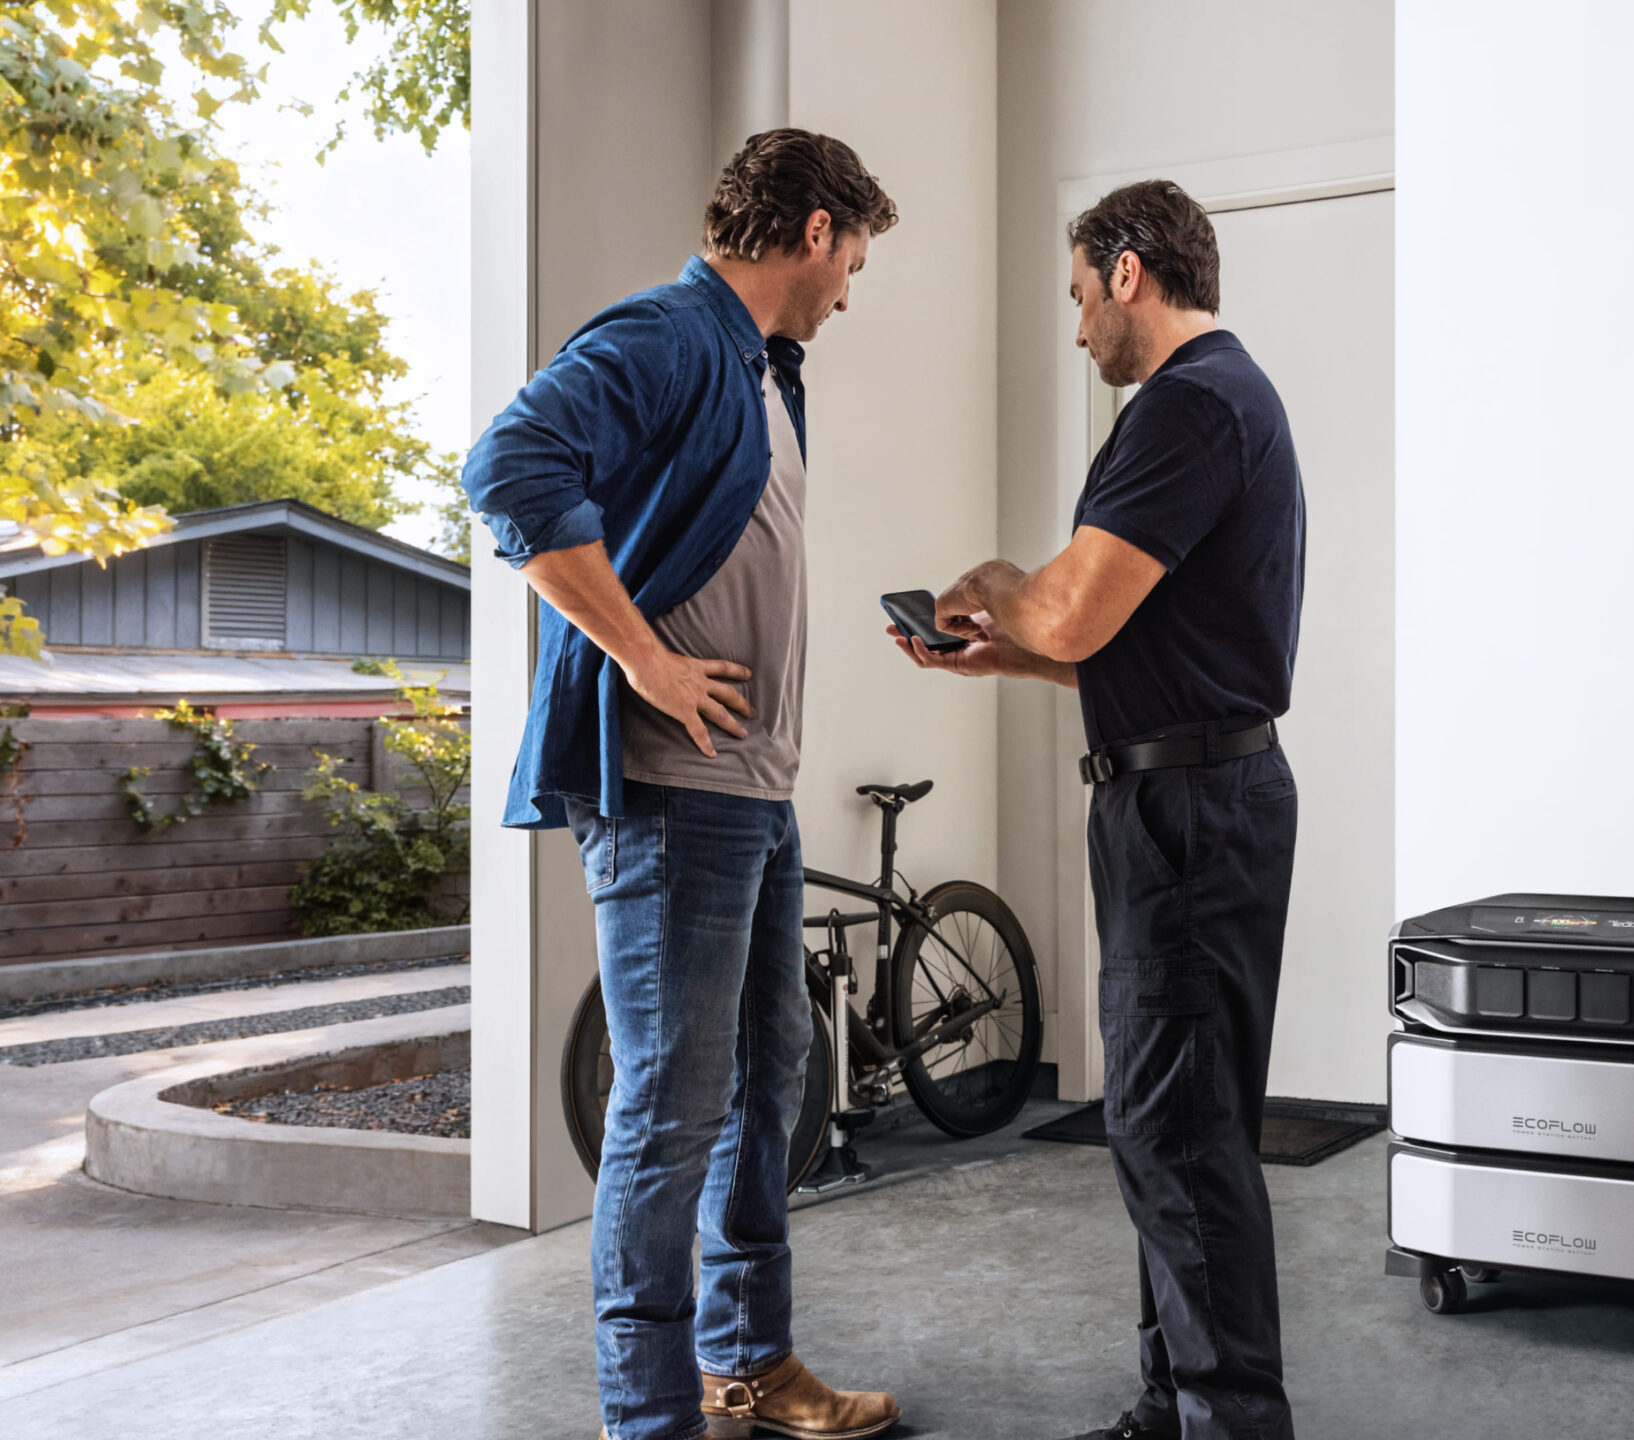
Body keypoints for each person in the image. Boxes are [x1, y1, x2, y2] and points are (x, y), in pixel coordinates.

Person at [461, 129, 903, 1440]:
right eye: (855, 260)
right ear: (815, 230)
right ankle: (647, 1416)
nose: (849, 291)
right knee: (669, 1107)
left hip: (750, 794)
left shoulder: (765, 370)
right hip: (671, 789)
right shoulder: (669, 332)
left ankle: (748, 1365)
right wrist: (645, 659)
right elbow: (508, 470)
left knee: (772, 1072)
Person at [891, 179, 1306, 1440]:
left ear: (1128, 272)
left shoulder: (1185, 405)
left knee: (1171, 1131)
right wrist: (1001, 656)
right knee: (1178, 1124)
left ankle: (1227, 1421)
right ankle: (1175, 1405)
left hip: (1185, 810)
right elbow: (1122, 644)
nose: (1078, 330)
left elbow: (1071, 609)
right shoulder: (1228, 399)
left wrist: (1002, 588)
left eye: (1080, 296)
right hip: (1199, 791)